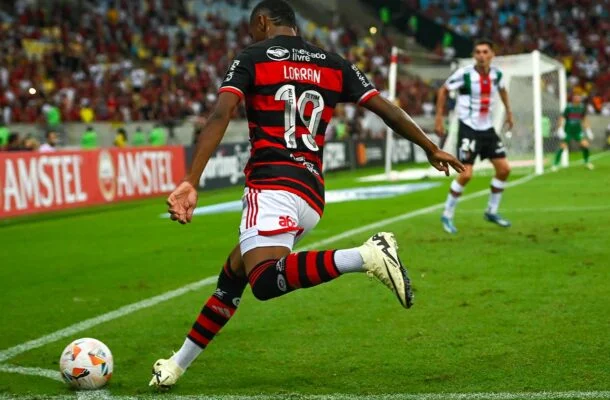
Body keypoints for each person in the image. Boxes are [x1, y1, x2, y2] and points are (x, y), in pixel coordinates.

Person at [150, 0, 463, 389]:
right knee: (234, 274)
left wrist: (191, 179)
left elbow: (220, 115)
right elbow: (385, 108)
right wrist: (429, 146)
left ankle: (365, 256)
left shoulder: (252, 56)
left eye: (253, 28)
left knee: (263, 281)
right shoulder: (334, 63)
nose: (252, 35)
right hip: (311, 193)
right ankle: (177, 365)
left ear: (262, 22)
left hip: (271, 182)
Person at [435, 38, 514, 235]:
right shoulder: (465, 74)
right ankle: (447, 213)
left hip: (487, 129)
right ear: (473, 56)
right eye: (478, 52)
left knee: (504, 169)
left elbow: (503, 91)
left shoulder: (497, 75)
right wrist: (439, 118)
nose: (481, 55)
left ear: (492, 55)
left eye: (485, 52)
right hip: (468, 128)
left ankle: (491, 211)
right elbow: (443, 90)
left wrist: (509, 113)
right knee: (466, 173)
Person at [552, 94, 594, 171]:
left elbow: (584, 119)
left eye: (579, 98)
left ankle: (587, 162)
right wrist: (560, 128)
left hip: (578, 131)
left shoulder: (582, 108)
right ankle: (555, 164)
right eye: (577, 98)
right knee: (562, 147)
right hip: (568, 131)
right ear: (573, 99)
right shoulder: (568, 108)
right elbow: (562, 117)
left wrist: (588, 130)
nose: (579, 99)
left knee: (585, 145)